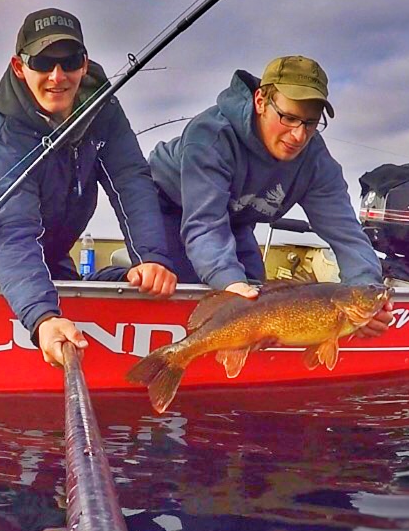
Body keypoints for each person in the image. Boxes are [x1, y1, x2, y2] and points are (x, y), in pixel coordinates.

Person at [0, 8, 178, 365]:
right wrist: (42, 318)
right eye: (42, 62)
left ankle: (118, 279)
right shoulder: (2, 139)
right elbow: (12, 234)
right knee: (35, 294)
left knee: (86, 283)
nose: (57, 76)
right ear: (20, 67)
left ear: (84, 64)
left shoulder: (104, 112)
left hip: (53, 251)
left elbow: (131, 181)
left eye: (68, 61)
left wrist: (150, 259)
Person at [147, 55, 392, 337]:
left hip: (233, 220)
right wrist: (229, 285)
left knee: (257, 291)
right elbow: (204, 226)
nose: (299, 135)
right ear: (261, 101)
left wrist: (364, 293)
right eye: (289, 118)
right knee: (200, 290)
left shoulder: (315, 161)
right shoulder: (211, 136)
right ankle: (114, 279)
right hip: (165, 207)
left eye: (311, 123)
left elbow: (346, 233)